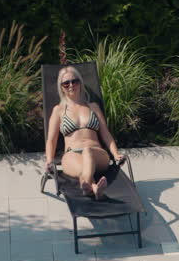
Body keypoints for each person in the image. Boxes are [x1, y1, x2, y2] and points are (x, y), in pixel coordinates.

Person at [45, 65, 127, 199]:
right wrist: (49, 161)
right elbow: (51, 140)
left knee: (88, 152)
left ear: (80, 82)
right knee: (84, 170)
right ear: (61, 87)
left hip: (97, 153)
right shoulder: (58, 110)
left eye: (74, 81)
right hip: (71, 154)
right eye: (66, 83)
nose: (71, 85)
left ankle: (87, 187)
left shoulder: (93, 107)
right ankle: (94, 188)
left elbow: (106, 134)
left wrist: (116, 154)